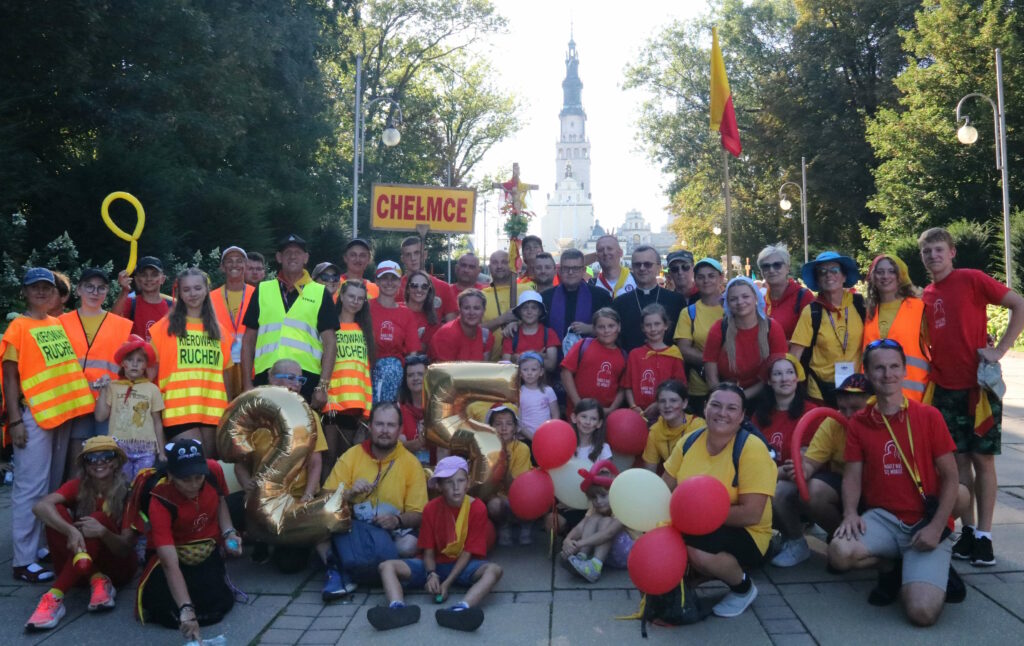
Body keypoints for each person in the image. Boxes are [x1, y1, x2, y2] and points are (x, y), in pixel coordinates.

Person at [828, 339, 960, 626]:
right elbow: (852, 475)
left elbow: (952, 477)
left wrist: (937, 527)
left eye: (894, 367)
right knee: (839, 553)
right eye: (879, 368)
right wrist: (849, 513)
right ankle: (891, 565)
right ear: (867, 373)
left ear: (904, 370)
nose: (887, 374)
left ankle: (927, 569)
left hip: (924, 522)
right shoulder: (859, 422)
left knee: (922, 613)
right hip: (883, 519)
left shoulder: (929, 416)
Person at [918, 227, 1024, 567]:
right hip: (944, 389)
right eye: (927, 251)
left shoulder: (971, 279)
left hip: (979, 389)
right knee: (958, 461)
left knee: (983, 460)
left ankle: (985, 536)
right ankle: (967, 529)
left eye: (939, 249)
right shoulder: (927, 295)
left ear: (952, 252)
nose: (933, 255)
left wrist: (1001, 349)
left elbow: (1018, 304)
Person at [2, 268, 95, 582]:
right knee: (30, 487)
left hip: (58, 414)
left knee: (50, 485)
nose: (41, 292)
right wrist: (15, 420)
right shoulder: (18, 327)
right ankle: (22, 561)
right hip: (32, 416)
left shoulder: (55, 324)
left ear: (55, 293)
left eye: (47, 287)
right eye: (35, 287)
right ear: (25, 292)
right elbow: (10, 377)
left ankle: (40, 545)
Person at [662, 383, 777, 618]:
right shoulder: (689, 442)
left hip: (748, 532)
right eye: (715, 405)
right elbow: (663, 490)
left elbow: (752, 514)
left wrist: (697, 517)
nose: (722, 413)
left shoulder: (752, 449)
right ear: (705, 408)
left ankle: (743, 588)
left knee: (696, 550)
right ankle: (697, 575)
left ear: (742, 416)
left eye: (731, 408)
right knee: (666, 539)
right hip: (695, 524)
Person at [370, 456, 502, 633]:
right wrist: (431, 574)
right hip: (433, 565)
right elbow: (428, 551)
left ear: (468, 483)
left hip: (463, 566)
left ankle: (462, 608)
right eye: (449, 482)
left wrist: (446, 584)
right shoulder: (431, 508)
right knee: (386, 566)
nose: (456, 487)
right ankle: (397, 607)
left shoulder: (478, 508)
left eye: (460, 481)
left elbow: (468, 552)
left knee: (494, 570)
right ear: (439, 486)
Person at [25, 437, 138, 631]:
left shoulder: (129, 493)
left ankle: (54, 596)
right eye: (91, 458)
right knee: (55, 513)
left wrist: (103, 532)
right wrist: (70, 531)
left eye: (107, 456)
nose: (99, 461)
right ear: (85, 465)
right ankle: (96, 578)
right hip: (79, 564)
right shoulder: (78, 485)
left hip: (118, 568)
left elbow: (126, 548)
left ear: (116, 462)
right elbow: (40, 507)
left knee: (96, 520)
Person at [134, 439, 241, 640]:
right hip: (171, 555)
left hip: (205, 547)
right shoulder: (160, 500)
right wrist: (186, 609)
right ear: (171, 475)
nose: (193, 485)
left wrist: (229, 533)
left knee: (217, 603)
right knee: (169, 610)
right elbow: (169, 562)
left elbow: (220, 501)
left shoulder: (212, 471)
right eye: (185, 479)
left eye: (198, 477)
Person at [319, 403, 427, 600]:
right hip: (353, 529)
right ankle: (336, 570)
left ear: (400, 430)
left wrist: (397, 520)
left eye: (391, 425)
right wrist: (348, 494)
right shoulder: (352, 456)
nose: (385, 430)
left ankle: (355, 568)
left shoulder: (411, 464)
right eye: (379, 424)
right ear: (370, 426)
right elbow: (325, 498)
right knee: (318, 528)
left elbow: (418, 514)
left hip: (391, 531)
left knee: (408, 546)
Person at [232, 362, 327, 571]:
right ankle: (256, 538)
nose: (297, 384)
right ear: (272, 380)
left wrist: (308, 496)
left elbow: (315, 463)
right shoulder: (253, 416)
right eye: (290, 378)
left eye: (300, 380)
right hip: (263, 498)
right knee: (225, 508)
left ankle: (282, 539)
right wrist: (247, 486)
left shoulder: (309, 416)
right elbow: (240, 465)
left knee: (289, 565)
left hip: (296, 499)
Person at [773, 373, 871, 567]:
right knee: (802, 491)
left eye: (855, 409)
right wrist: (803, 470)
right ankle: (841, 540)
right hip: (842, 486)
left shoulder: (883, 425)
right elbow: (810, 462)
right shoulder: (833, 423)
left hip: (876, 490)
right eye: (843, 408)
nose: (848, 415)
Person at [241, 234, 338, 405]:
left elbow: (330, 343)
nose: (293, 256)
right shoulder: (262, 290)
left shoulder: (320, 293)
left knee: (302, 423)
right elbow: (248, 340)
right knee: (266, 423)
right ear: (279, 257)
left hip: (305, 379)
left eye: (297, 252)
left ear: (306, 258)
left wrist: (322, 386)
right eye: (287, 252)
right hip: (267, 376)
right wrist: (247, 383)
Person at [149, 268, 233, 458]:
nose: (192, 294)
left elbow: (225, 375)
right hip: (178, 412)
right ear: (179, 293)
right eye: (186, 290)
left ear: (206, 290)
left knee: (209, 465)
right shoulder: (164, 328)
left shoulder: (220, 332)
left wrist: (229, 413)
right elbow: (150, 371)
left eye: (197, 288)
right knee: (193, 464)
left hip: (213, 412)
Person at [59, 267, 133, 475]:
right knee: (77, 462)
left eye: (101, 288)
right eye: (89, 287)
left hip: (107, 403)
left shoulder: (121, 325)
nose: (95, 292)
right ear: (78, 289)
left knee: (106, 460)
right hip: (75, 402)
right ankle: (77, 496)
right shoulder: (61, 323)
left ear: (107, 291)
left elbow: (130, 365)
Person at [789, 250, 865, 407]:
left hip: (856, 388)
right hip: (819, 391)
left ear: (844, 277)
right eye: (822, 272)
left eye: (834, 270)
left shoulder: (860, 305)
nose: (828, 275)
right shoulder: (811, 311)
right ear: (817, 280)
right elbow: (795, 355)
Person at [704, 277, 788, 403]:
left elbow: (778, 371)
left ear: (755, 298)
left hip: (764, 397)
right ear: (728, 303)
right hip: (726, 397)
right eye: (733, 299)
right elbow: (711, 376)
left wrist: (741, 397)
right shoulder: (719, 328)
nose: (740, 302)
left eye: (745, 296)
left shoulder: (772, 328)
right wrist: (724, 399)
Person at [94, 335, 166, 478]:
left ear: (145, 365)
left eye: (139, 361)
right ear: (123, 363)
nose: (134, 364)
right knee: (122, 484)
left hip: (146, 450)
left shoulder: (152, 389)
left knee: (142, 484)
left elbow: (157, 422)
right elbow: (100, 417)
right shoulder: (113, 387)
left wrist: (162, 452)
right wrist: (102, 390)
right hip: (119, 449)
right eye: (130, 360)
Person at [862, 253, 929, 401]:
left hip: (912, 397)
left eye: (891, 271)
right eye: (880, 272)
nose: (885, 276)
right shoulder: (868, 311)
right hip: (874, 398)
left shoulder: (919, 307)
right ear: (873, 277)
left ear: (901, 276)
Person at [323, 281, 374, 470]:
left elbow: (365, 371)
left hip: (355, 404)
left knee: (347, 460)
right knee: (328, 456)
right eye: (351, 296)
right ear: (342, 296)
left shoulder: (364, 330)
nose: (355, 301)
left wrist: (367, 409)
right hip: (331, 402)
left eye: (360, 298)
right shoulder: (329, 327)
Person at [560, 461, 631, 582]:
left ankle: (595, 567)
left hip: (628, 554)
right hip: (607, 555)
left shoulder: (623, 506)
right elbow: (581, 526)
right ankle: (582, 558)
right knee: (593, 518)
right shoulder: (596, 508)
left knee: (606, 521)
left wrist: (579, 544)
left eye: (603, 496)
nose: (598, 501)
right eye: (594, 497)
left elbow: (609, 533)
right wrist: (567, 540)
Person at [674, 257, 725, 413]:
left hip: (733, 383)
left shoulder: (733, 308)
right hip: (700, 388)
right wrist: (716, 364)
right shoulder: (689, 312)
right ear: (695, 280)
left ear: (721, 278)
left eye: (711, 276)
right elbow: (684, 349)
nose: (706, 280)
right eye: (701, 277)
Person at [612, 245, 684, 352]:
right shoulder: (619, 303)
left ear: (659, 268)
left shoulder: (676, 301)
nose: (642, 268)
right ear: (632, 268)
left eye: (648, 264)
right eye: (637, 265)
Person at [540, 248, 611, 355]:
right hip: (554, 358)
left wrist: (591, 328)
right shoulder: (545, 298)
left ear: (583, 270)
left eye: (575, 268)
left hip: (590, 356)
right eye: (566, 268)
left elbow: (612, 327)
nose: (570, 272)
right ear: (560, 270)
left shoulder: (601, 296)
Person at [481, 404, 532, 546]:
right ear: (490, 427)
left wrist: (506, 465)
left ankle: (526, 524)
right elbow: (483, 487)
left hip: (519, 497)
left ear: (515, 428)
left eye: (509, 424)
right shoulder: (485, 448)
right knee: (494, 505)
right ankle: (504, 525)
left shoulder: (522, 448)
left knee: (530, 499)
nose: (503, 428)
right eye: (498, 424)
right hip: (497, 498)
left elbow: (517, 489)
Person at [624, 303, 686, 419]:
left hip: (666, 414)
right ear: (643, 328)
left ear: (665, 325)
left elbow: (679, 388)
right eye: (648, 325)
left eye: (657, 324)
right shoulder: (635, 354)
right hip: (639, 414)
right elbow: (627, 386)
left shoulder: (674, 354)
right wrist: (633, 406)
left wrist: (658, 404)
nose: (653, 329)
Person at [560, 308, 626, 416]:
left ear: (619, 327)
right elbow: (565, 372)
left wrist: (611, 409)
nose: (606, 330)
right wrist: (578, 403)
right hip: (577, 413)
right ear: (594, 329)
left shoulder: (623, 356)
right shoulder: (583, 345)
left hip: (603, 416)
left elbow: (623, 387)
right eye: (601, 327)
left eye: (611, 326)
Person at [753, 354, 816, 464]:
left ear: (797, 378)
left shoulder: (811, 413)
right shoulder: (759, 415)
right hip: (763, 471)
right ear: (769, 381)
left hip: (796, 471)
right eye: (777, 374)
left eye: (790, 372)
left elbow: (811, 455)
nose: (784, 379)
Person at [370, 261, 418, 402]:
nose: (389, 283)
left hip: (393, 369)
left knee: (390, 366)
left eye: (394, 279)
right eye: (385, 278)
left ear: (400, 282)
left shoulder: (406, 314)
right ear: (377, 281)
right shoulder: (366, 307)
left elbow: (413, 352)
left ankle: (383, 409)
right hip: (366, 365)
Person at [210, 246, 255, 398]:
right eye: (229, 261)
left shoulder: (257, 294)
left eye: (239, 261)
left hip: (250, 363)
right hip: (222, 364)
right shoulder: (210, 297)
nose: (234, 264)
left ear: (246, 266)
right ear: (222, 267)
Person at [642, 380, 704, 471]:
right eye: (662, 401)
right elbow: (649, 472)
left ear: (684, 403)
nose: (667, 405)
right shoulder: (655, 431)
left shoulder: (698, 426)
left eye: (673, 400)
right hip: (670, 478)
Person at [482, 250, 534, 358]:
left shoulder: (527, 291)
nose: (499, 266)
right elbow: (474, 330)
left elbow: (539, 322)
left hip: (525, 362)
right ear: (489, 267)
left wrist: (519, 323)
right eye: (495, 262)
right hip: (491, 361)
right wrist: (501, 320)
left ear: (511, 265)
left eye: (504, 262)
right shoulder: (481, 296)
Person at [758, 244, 815, 339]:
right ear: (761, 272)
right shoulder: (762, 301)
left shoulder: (803, 297)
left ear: (787, 268)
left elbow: (813, 338)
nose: (771, 270)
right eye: (766, 266)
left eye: (777, 265)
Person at [113, 256, 174, 341]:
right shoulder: (130, 303)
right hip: (138, 349)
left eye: (154, 275)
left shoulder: (173, 306)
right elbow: (112, 322)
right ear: (137, 279)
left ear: (162, 279)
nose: (149, 279)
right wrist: (125, 291)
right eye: (144, 275)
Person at [397, 236, 457, 320]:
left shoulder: (444, 287)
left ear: (425, 254)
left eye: (417, 253)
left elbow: (451, 324)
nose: (413, 258)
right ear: (403, 259)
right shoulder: (395, 288)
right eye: (408, 254)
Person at [428, 289, 495, 363]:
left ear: (484, 311)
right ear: (459, 310)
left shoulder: (486, 337)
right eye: (466, 308)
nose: (471, 313)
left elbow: (484, 368)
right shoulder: (446, 335)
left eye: (476, 308)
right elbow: (443, 369)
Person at [500, 290, 560, 372]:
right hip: (516, 379)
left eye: (534, 308)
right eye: (525, 308)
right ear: (519, 312)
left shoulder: (549, 333)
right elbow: (506, 365)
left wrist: (519, 357)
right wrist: (540, 355)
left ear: (540, 311)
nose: (529, 312)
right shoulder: (511, 333)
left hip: (542, 380)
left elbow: (551, 365)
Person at [516, 352, 558, 444]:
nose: (529, 373)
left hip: (547, 437)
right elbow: (519, 421)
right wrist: (534, 438)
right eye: (525, 369)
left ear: (541, 372)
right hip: (526, 438)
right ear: (519, 372)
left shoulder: (548, 391)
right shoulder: (518, 393)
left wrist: (551, 433)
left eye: (533, 369)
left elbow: (555, 416)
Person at [398, 354, 432, 465]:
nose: (415, 378)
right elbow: (398, 446)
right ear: (406, 380)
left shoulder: (438, 408)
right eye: (410, 375)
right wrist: (420, 441)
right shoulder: (399, 410)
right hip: (407, 468)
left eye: (420, 374)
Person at [404, 270, 441, 354]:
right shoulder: (396, 309)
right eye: (414, 286)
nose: (419, 290)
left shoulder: (432, 320)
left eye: (424, 286)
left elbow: (420, 350)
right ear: (408, 289)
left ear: (429, 290)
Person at [571, 398, 612, 466]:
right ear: (574, 418)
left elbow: (607, 471)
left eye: (593, 419)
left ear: (599, 423)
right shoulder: (565, 445)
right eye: (584, 417)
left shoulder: (604, 449)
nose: (588, 422)